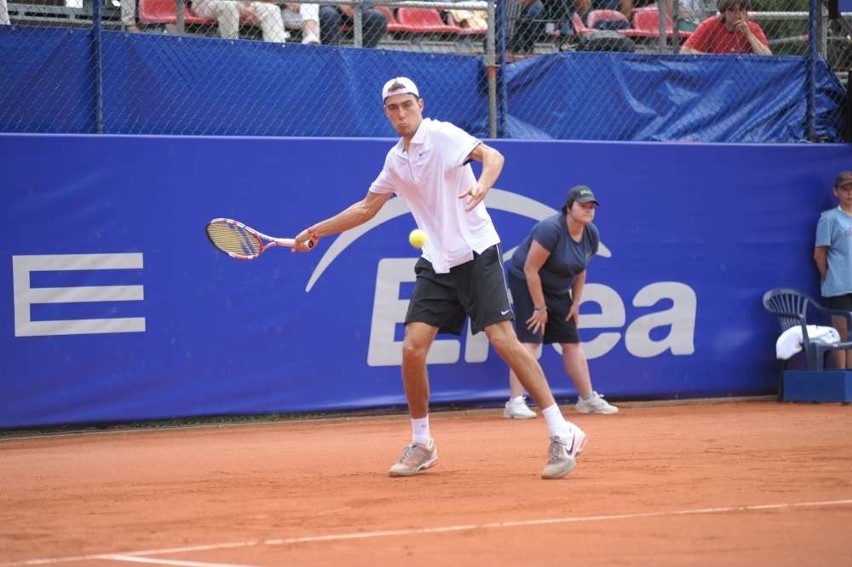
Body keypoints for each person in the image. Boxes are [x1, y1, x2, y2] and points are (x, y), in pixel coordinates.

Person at [292, 77, 588, 480]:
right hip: (436, 261)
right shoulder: (395, 162)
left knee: (504, 339)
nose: (401, 113)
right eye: (393, 108)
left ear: (420, 104)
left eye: (407, 105)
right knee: (413, 348)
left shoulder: (444, 135)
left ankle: (561, 431)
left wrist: (483, 184)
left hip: (477, 252)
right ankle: (422, 443)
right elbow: (366, 208)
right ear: (386, 113)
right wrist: (315, 231)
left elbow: (493, 156)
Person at [503, 185, 619, 419]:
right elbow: (530, 268)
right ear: (569, 208)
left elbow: (580, 269)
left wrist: (575, 303)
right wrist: (540, 307)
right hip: (526, 280)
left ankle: (587, 399)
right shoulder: (551, 230)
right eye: (583, 206)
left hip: (557, 287)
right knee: (531, 340)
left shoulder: (590, 233)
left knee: (571, 341)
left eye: (591, 207)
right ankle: (514, 402)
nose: (588, 210)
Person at [813, 171, 852, 370]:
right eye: (845, 189)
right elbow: (819, 254)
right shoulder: (828, 219)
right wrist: (829, 277)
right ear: (835, 192)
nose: (850, 193)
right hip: (839, 286)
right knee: (841, 333)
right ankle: (842, 379)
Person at [681, 0, 771, 55]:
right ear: (723, 12)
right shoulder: (710, 25)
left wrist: (749, 35)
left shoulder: (752, 28)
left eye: (740, 10)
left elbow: (767, 56)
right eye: (732, 10)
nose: (737, 15)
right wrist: (715, 59)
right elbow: (685, 51)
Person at [191, 0, 289, 43]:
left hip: (243, 5)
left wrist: (251, 7)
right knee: (228, 6)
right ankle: (231, 53)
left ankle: (277, 53)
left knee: (272, 10)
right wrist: (239, 6)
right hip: (206, 3)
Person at [319, 4, 387, 48]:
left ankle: (363, 55)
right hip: (329, 6)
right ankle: (331, 56)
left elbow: (368, 3)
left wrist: (358, 6)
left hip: (355, 7)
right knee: (329, 15)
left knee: (378, 18)